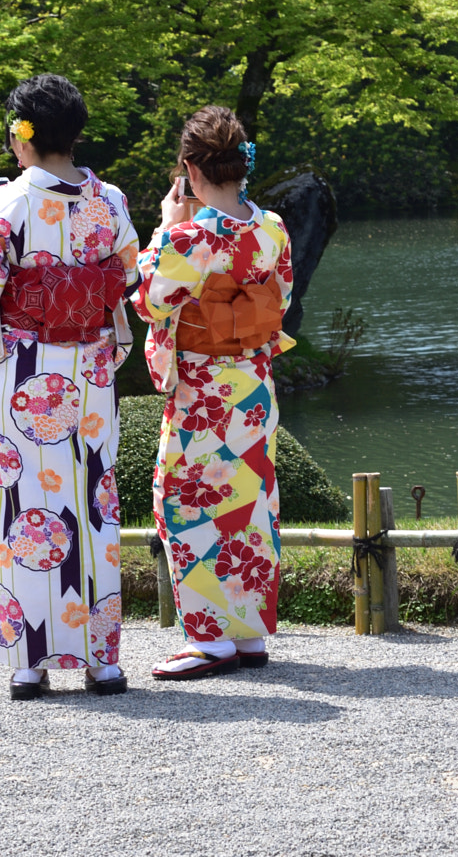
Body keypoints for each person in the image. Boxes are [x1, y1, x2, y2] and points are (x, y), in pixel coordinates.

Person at [0, 75, 138, 700]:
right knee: (91, 502)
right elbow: (128, 274)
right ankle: (101, 661)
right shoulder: (110, 201)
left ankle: (29, 665)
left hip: (23, 374)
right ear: (74, 134)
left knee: (23, 506)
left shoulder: (6, 205)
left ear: (20, 135)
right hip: (89, 372)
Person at [135, 106, 294, 681]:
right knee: (250, 505)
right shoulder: (272, 227)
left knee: (185, 503)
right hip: (253, 386)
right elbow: (283, 297)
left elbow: (150, 300)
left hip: (204, 391)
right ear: (240, 166)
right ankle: (248, 633)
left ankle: (210, 639)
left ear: (189, 170)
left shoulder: (188, 237)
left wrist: (162, 225)